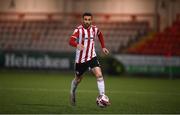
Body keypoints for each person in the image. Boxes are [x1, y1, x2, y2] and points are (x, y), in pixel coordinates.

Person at [69, 12, 109, 106]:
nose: (87, 21)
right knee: (78, 79)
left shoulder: (95, 29)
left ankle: (102, 96)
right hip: (81, 60)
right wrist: (77, 44)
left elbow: (100, 34)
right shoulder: (78, 30)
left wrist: (103, 47)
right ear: (82, 20)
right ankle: (72, 92)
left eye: (89, 20)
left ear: (91, 20)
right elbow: (70, 41)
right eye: (85, 19)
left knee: (99, 75)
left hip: (92, 57)